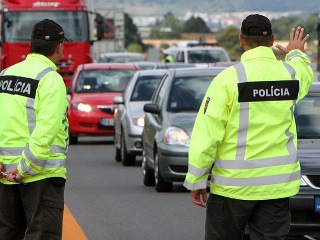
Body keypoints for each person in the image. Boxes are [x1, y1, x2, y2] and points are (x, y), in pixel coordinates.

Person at [183, 14, 314, 240]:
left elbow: (207, 134)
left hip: (232, 188)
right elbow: (304, 74)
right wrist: (296, 53)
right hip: (276, 188)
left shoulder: (227, 80)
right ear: (272, 40)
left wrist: (197, 180)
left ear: (241, 40)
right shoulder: (289, 74)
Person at [0, 19, 69, 240]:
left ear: (31, 44)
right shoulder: (50, 79)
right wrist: (25, 167)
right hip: (40, 177)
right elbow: (46, 129)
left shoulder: (5, 76)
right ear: (59, 46)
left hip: (4, 177)